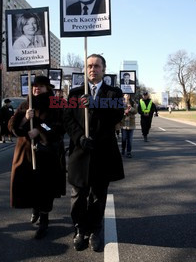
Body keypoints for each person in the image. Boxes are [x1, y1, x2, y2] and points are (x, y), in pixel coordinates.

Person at [64, 54, 124, 252]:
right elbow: (68, 120)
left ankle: (96, 229)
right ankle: (80, 229)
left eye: (97, 66)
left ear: (103, 70)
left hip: (103, 152)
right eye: (89, 66)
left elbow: (116, 115)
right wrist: (80, 137)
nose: (92, 69)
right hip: (80, 152)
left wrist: (95, 104)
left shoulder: (113, 93)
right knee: (78, 196)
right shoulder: (74, 94)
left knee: (98, 196)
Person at [8, 75, 66, 240]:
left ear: (48, 88)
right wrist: (26, 118)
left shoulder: (56, 104)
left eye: (40, 86)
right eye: (34, 86)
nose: (36, 89)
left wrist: (40, 128)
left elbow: (58, 127)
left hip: (47, 154)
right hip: (26, 152)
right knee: (30, 185)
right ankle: (35, 208)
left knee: (45, 188)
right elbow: (13, 125)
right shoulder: (27, 103)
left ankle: (44, 220)